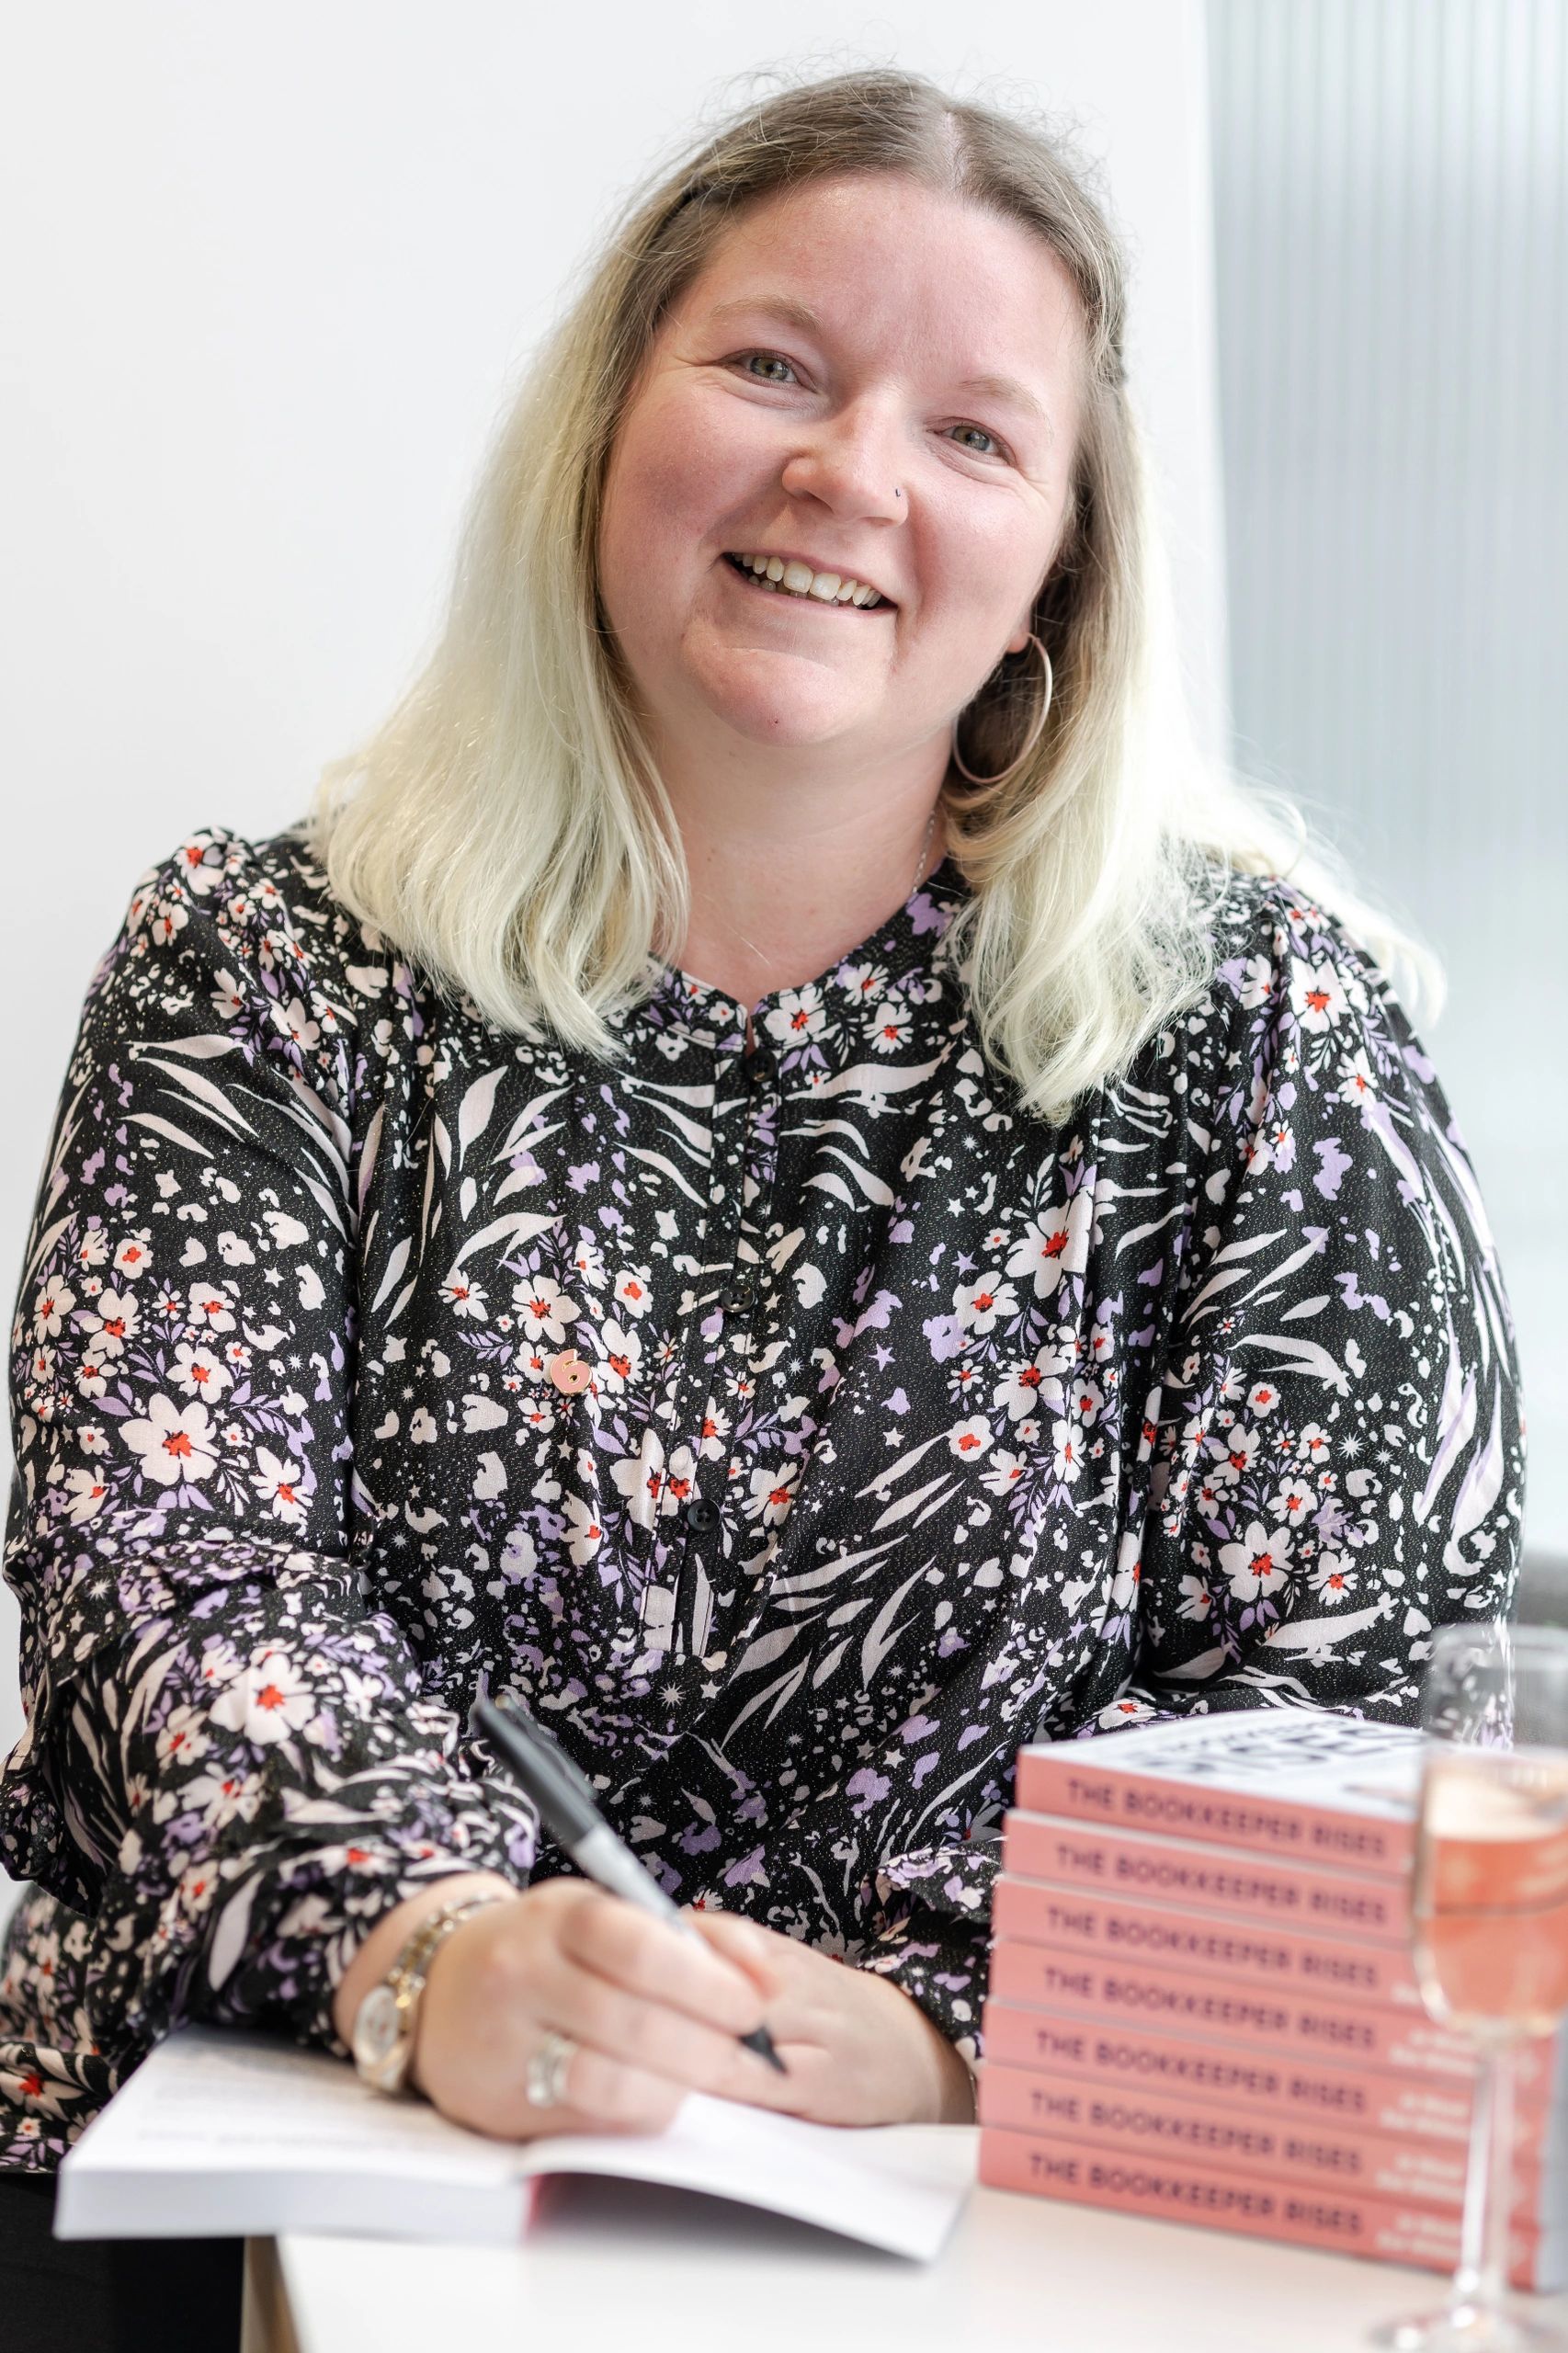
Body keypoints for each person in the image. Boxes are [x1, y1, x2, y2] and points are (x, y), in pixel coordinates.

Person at [0, 62, 1524, 2347]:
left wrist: (944, 2036)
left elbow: (1328, 1712)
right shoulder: (265, 964)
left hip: (1008, 2216)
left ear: (1054, 577)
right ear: (608, 435)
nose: (848, 472)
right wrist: (436, 1949)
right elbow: (170, 1570)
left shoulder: (1268, 1035)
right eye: (772, 366)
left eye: (975, 433)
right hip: (279, 2134)